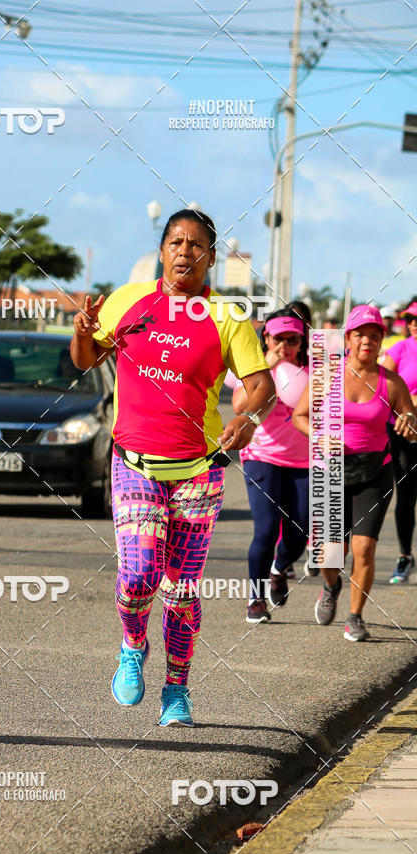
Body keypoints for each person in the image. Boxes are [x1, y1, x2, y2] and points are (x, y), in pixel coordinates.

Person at [70, 209, 275, 726]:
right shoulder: (128, 302)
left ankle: (177, 690)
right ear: (162, 251)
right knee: (139, 576)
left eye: (197, 244)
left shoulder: (228, 318)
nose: (185, 251)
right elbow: (86, 359)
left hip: (198, 470)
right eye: (176, 242)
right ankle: (132, 645)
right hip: (135, 463)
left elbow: (261, 386)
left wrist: (247, 418)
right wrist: (82, 331)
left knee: (180, 591)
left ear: (210, 256)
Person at [293, 305, 416, 641]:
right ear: (348, 338)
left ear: (381, 341)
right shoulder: (327, 376)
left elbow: (411, 422)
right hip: (332, 470)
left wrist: (410, 424)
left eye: (375, 335)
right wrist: (321, 435)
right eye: (361, 334)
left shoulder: (391, 382)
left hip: (375, 471)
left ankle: (355, 616)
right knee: (331, 552)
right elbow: (299, 416)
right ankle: (331, 585)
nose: (368, 340)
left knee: (363, 548)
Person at [233, 312, 310, 623]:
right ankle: (255, 598)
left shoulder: (312, 371)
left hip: (302, 460)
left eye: (293, 340)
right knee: (265, 530)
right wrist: (269, 364)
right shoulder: (255, 367)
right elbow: (239, 405)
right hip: (261, 455)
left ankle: (280, 567)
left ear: (302, 341)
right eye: (279, 338)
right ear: (266, 338)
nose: (286, 346)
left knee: (300, 533)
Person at [382, 298, 417, 582]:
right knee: (405, 495)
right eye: (412, 319)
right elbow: (380, 387)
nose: (415, 324)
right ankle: (405, 557)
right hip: (402, 434)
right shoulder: (399, 349)